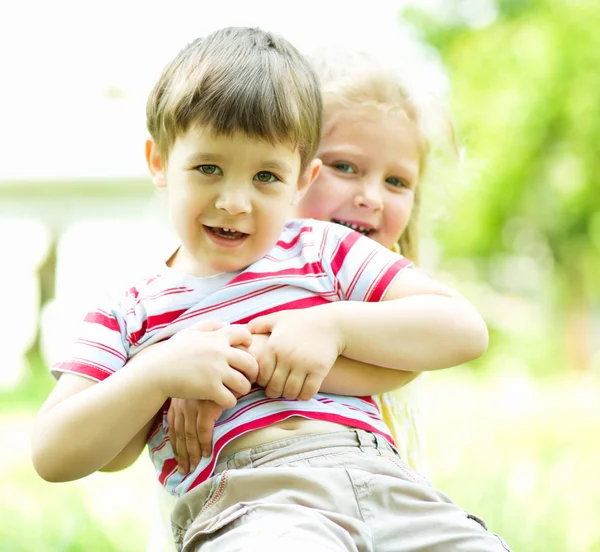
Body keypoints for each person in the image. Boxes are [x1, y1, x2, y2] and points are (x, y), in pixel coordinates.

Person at [31, 27, 508, 552]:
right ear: (159, 162)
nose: (235, 201)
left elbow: (464, 331)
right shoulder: (130, 309)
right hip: (252, 502)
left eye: (266, 176)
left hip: (387, 485)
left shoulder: (324, 251)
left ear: (303, 180)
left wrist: (332, 325)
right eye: (208, 168)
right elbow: (53, 453)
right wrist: (157, 374)